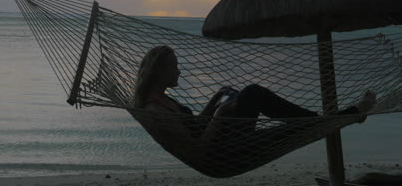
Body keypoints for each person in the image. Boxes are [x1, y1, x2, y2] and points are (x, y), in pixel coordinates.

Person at [132, 45, 376, 143]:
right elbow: (198, 148)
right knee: (254, 94)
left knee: (255, 98)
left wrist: (216, 100)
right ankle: (349, 114)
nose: (179, 71)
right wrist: (220, 114)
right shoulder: (156, 112)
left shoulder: (160, 100)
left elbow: (195, 125)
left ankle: (330, 118)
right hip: (223, 151)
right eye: (174, 66)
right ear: (159, 71)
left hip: (226, 140)